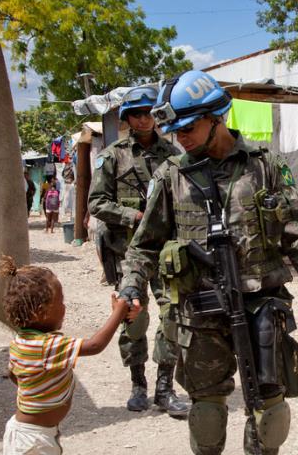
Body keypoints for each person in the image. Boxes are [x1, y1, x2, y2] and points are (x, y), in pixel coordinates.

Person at [119, 70, 298, 455]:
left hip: (262, 303)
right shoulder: (172, 175)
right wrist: (132, 283)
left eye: (188, 127)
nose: (180, 137)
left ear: (217, 117)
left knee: (270, 409)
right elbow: (144, 244)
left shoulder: (264, 165)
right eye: (175, 130)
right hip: (200, 307)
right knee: (208, 408)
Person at [87, 86, 190, 417]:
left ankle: (164, 388)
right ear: (127, 119)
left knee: (172, 314)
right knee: (133, 317)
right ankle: (137, 384)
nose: (145, 119)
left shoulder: (174, 155)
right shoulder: (113, 156)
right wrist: (133, 215)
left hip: (166, 254)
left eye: (149, 113)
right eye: (137, 114)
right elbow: (96, 203)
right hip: (126, 253)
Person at [0, 255, 134, 455]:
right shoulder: (48, 346)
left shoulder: (22, 341)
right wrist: (118, 313)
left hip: (27, 435)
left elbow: (13, 374)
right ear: (40, 312)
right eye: (60, 302)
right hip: (33, 440)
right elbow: (96, 345)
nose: (64, 307)